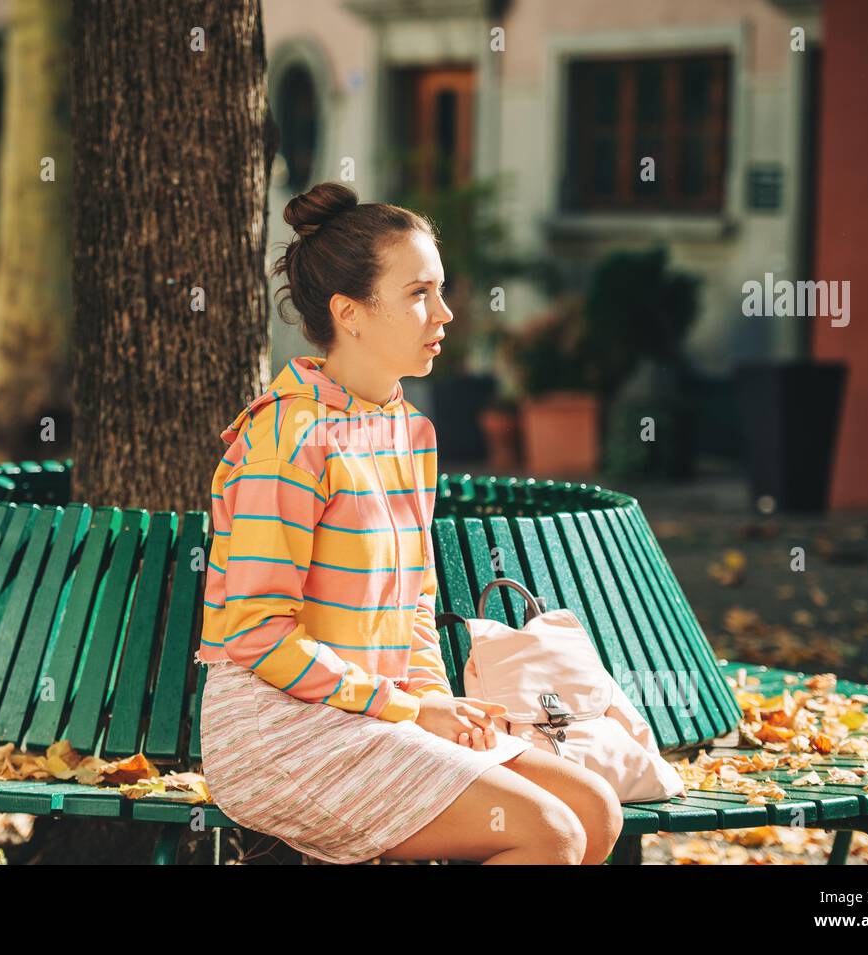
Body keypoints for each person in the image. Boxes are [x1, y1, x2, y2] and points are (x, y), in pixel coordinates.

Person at [196, 182, 622, 865]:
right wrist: (407, 709)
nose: (445, 313)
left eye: (441, 289)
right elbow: (255, 633)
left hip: (377, 714)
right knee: (552, 834)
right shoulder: (291, 438)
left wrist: (433, 701)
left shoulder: (407, 433)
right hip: (279, 729)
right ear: (350, 313)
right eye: (419, 293)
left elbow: (415, 605)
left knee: (594, 812)